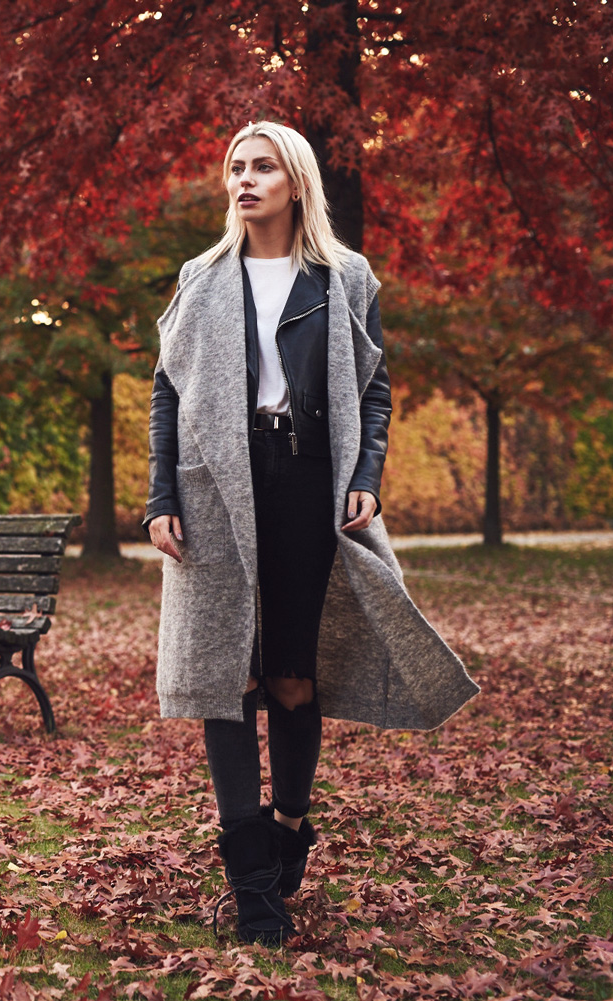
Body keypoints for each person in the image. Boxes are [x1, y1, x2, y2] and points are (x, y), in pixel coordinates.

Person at [142, 121, 480, 946]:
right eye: (235, 167)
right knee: (226, 677)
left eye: (262, 167)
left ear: (295, 182)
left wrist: (366, 474)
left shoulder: (344, 277)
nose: (244, 180)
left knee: (293, 679)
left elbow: (373, 388)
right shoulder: (200, 277)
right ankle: (251, 883)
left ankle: (289, 826)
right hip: (217, 486)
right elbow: (167, 390)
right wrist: (159, 495)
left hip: (307, 485)